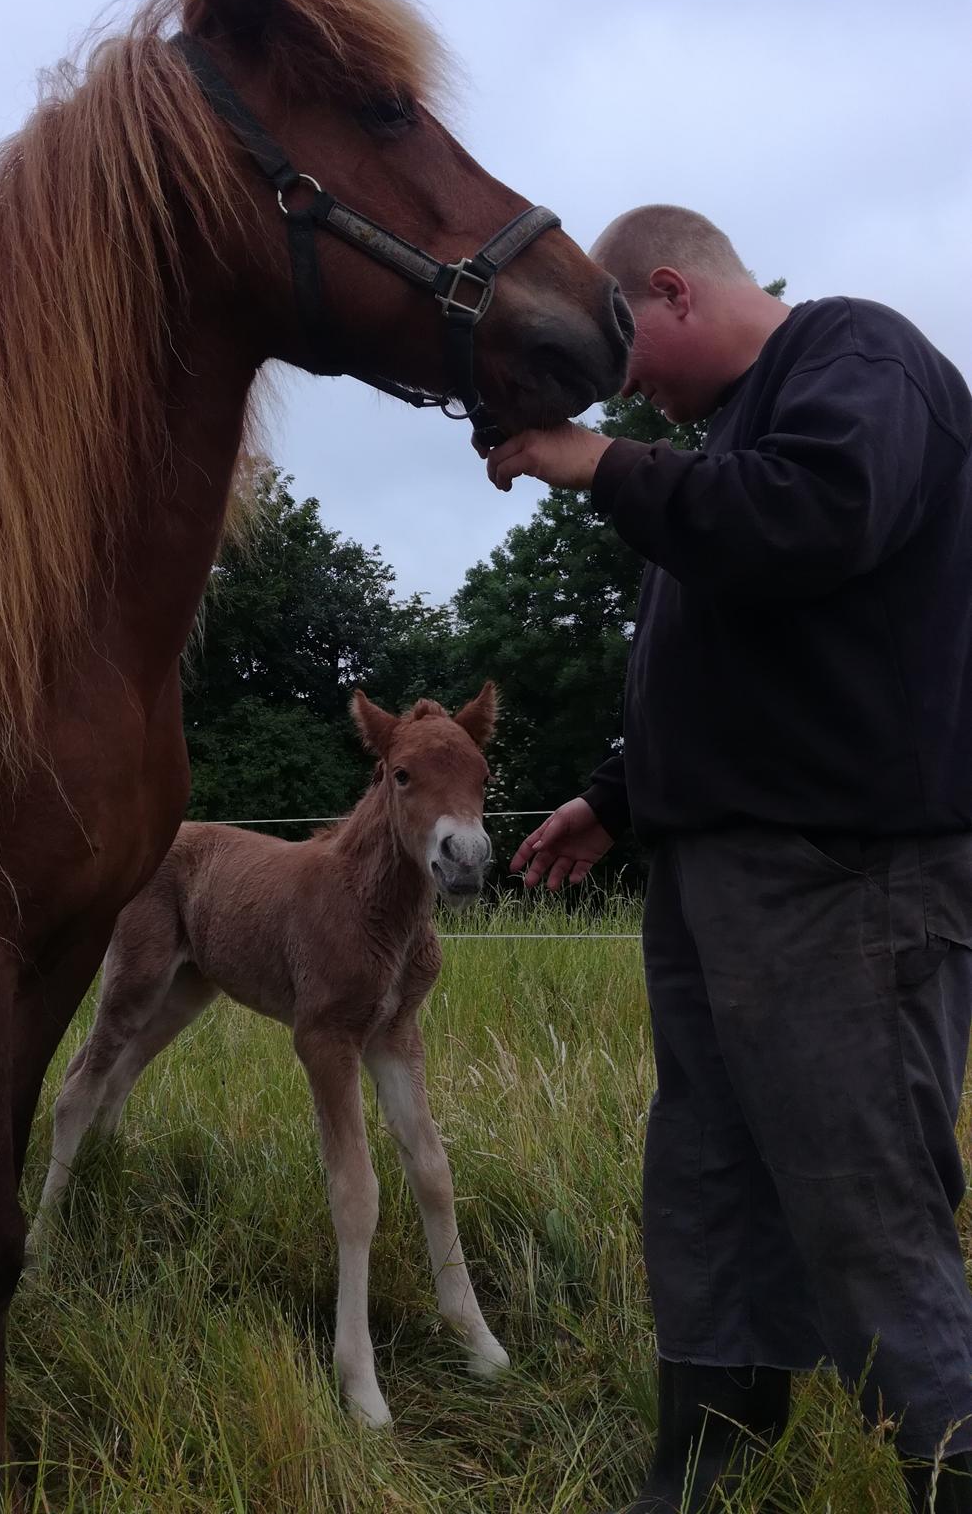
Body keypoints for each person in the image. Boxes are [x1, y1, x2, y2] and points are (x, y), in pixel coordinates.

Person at [484, 204, 972, 1513]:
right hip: (725, 871)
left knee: (860, 1181)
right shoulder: (724, 451)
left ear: (670, 292)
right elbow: (737, 667)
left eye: (624, 360)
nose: (624, 401)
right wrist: (615, 797)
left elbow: (820, 517)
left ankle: (948, 1461)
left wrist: (595, 463)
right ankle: (704, 1460)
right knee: (705, 1169)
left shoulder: (852, 358)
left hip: (843, 874)